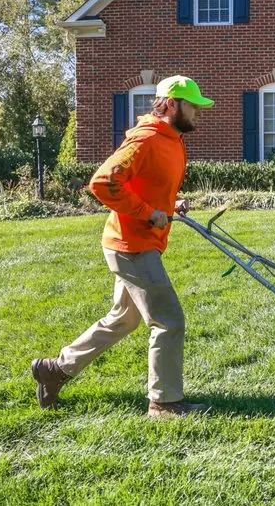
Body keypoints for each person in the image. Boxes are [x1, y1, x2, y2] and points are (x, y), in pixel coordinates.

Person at [31, 75, 213, 417]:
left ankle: (53, 370)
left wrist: (170, 204)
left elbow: (150, 183)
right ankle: (164, 403)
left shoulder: (171, 139)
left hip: (142, 241)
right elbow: (103, 182)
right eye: (194, 107)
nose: (199, 114)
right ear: (172, 104)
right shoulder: (145, 139)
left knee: (122, 320)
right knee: (168, 319)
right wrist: (147, 213)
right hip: (131, 245)